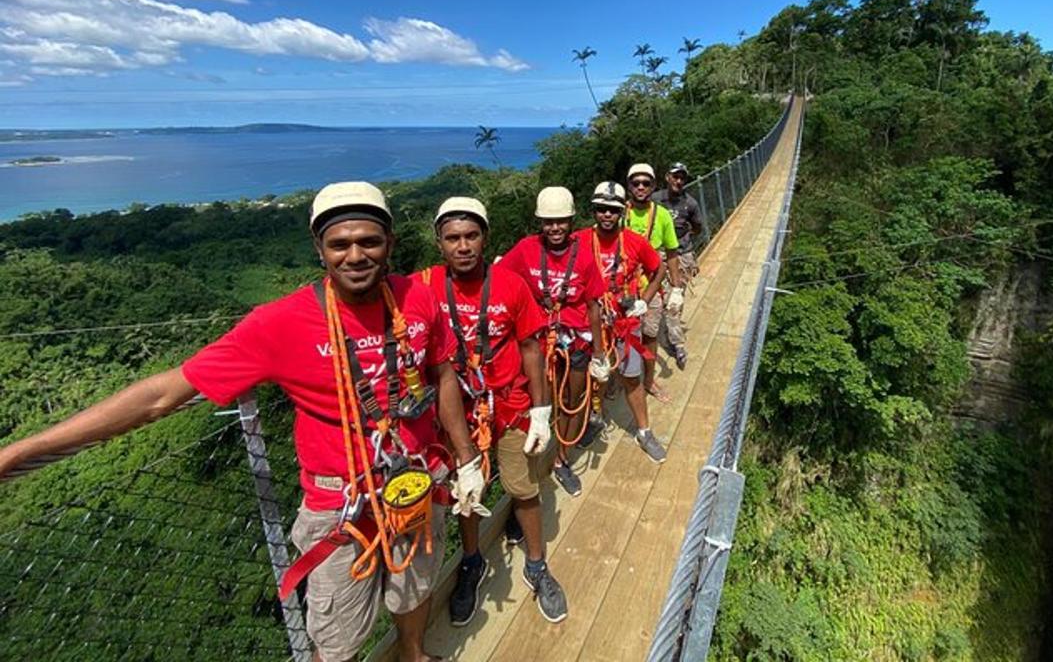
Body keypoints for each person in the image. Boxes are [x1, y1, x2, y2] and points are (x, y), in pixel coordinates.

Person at [0, 181, 476, 662]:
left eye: (369, 241)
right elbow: (160, 396)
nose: (356, 255)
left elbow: (441, 373)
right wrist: (22, 452)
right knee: (337, 638)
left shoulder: (417, 297)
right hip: (342, 503)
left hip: (414, 481)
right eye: (339, 244)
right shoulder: (280, 324)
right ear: (319, 249)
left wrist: (466, 457)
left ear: (389, 244)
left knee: (414, 586)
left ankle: (414, 654)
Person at [414, 197, 568, 627]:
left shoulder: (510, 285)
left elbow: (531, 347)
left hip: (510, 401)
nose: (463, 246)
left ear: (485, 239)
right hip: (456, 408)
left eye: (471, 236)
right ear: (440, 243)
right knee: (467, 491)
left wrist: (541, 409)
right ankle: (471, 560)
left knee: (522, 486)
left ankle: (536, 563)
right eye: (453, 238)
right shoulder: (421, 286)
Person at [496, 186, 610, 498]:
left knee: (572, 401)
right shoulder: (525, 250)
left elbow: (592, 306)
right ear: (540, 223)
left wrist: (599, 353)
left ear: (571, 221)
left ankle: (561, 460)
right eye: (548, 222)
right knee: (544, 403)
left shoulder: (584, 256)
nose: (555, 228)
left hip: (575, 339)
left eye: (560, 221)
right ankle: (543, 462)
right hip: (540, 340)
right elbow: (499, 279)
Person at [573, 182, 669, 463]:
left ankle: (644, 430)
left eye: (612, 210)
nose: (606, 215)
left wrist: (645, 299)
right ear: (594, 211)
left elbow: (659, 268)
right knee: (596, 376)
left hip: (624, 322)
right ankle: (596, 419)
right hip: (589, 321)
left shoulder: (634, 242)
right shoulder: (578, 240)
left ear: (621, 213)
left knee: (630, 376)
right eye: (601, 209)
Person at [623, 163, 684, 401]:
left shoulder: (662, 215)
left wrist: (676, 288)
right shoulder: (619, 213)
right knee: (621, 334)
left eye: (645, 183)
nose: (640, 187)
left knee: (649, 335)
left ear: (653, 186)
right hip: (623, 285)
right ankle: (623, 377)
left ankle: (648, 380)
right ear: (629, 187)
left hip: (651, 283)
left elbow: (671, 253)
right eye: (635, 183)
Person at [650, 161, 705, 369]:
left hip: (681, 256)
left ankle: (677, 343)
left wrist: (686, 236)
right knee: (657, 297)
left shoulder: (690, 204)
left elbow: (698, 226)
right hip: (658, 254)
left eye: (682, 177)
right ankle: (660, 336)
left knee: (675, 300)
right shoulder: (655, 200)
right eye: (675, 176)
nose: (678, 180)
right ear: (667, 177)